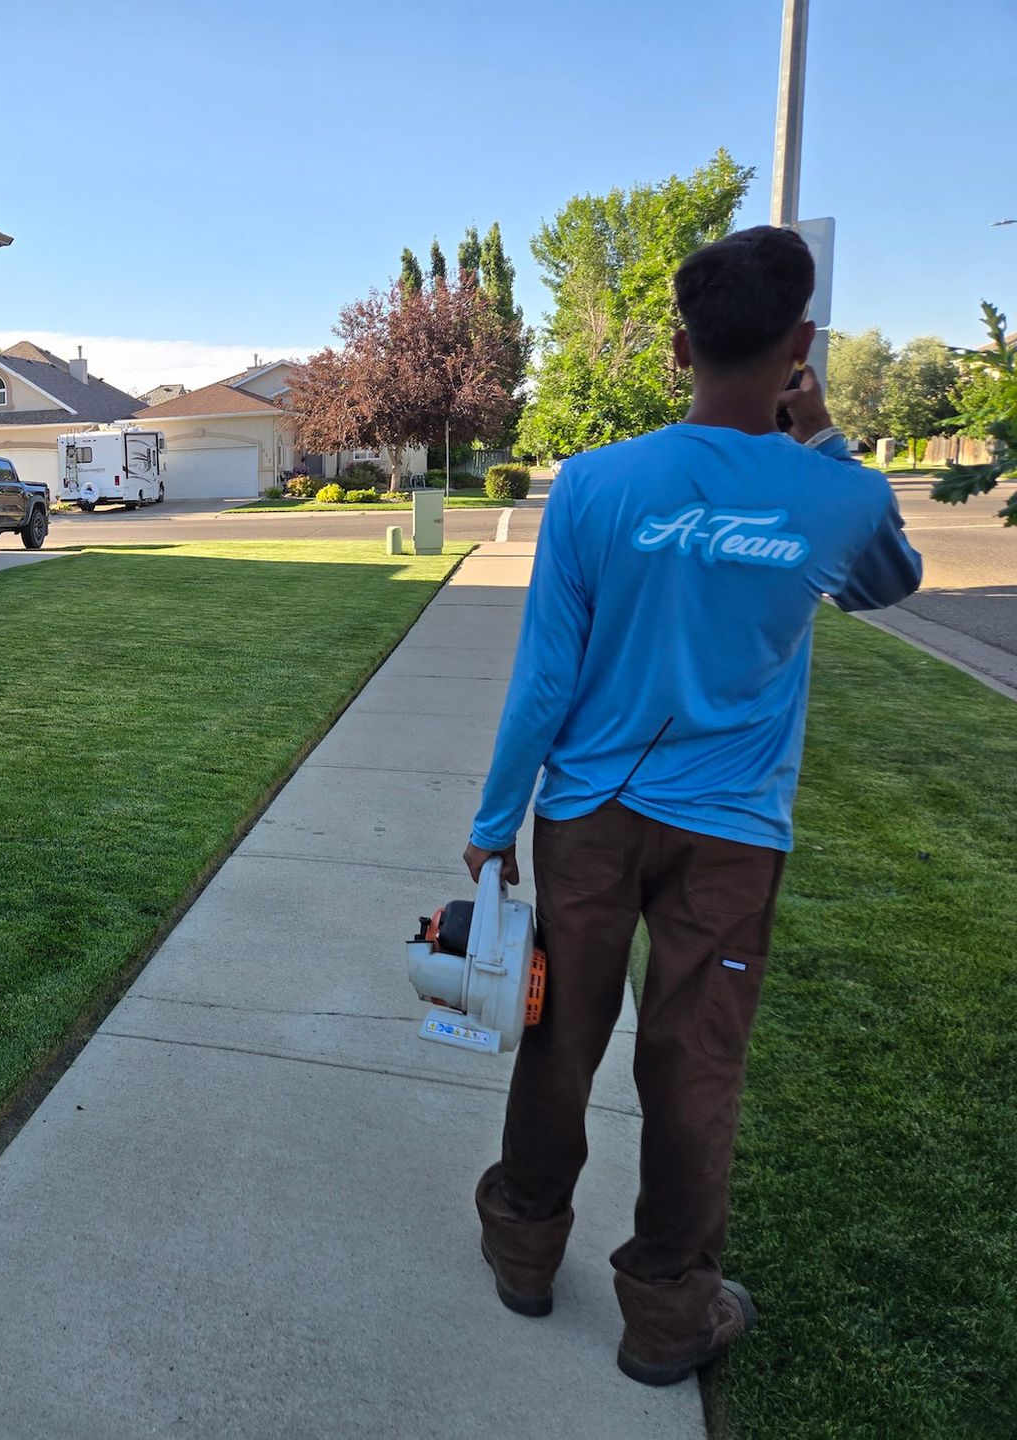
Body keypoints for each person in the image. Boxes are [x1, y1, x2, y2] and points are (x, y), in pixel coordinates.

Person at [462, 225, 922, 1386]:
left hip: (586, 818)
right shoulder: (839, 495)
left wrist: (491, 819)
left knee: (560, 1039)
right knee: (694, 1065)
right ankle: (668, 1315)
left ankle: (524, 1249)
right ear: (801, 345)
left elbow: (546, 678)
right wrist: (815, 432)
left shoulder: (599, 483)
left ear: (677, 345)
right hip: (731, 832)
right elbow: (889, 581)